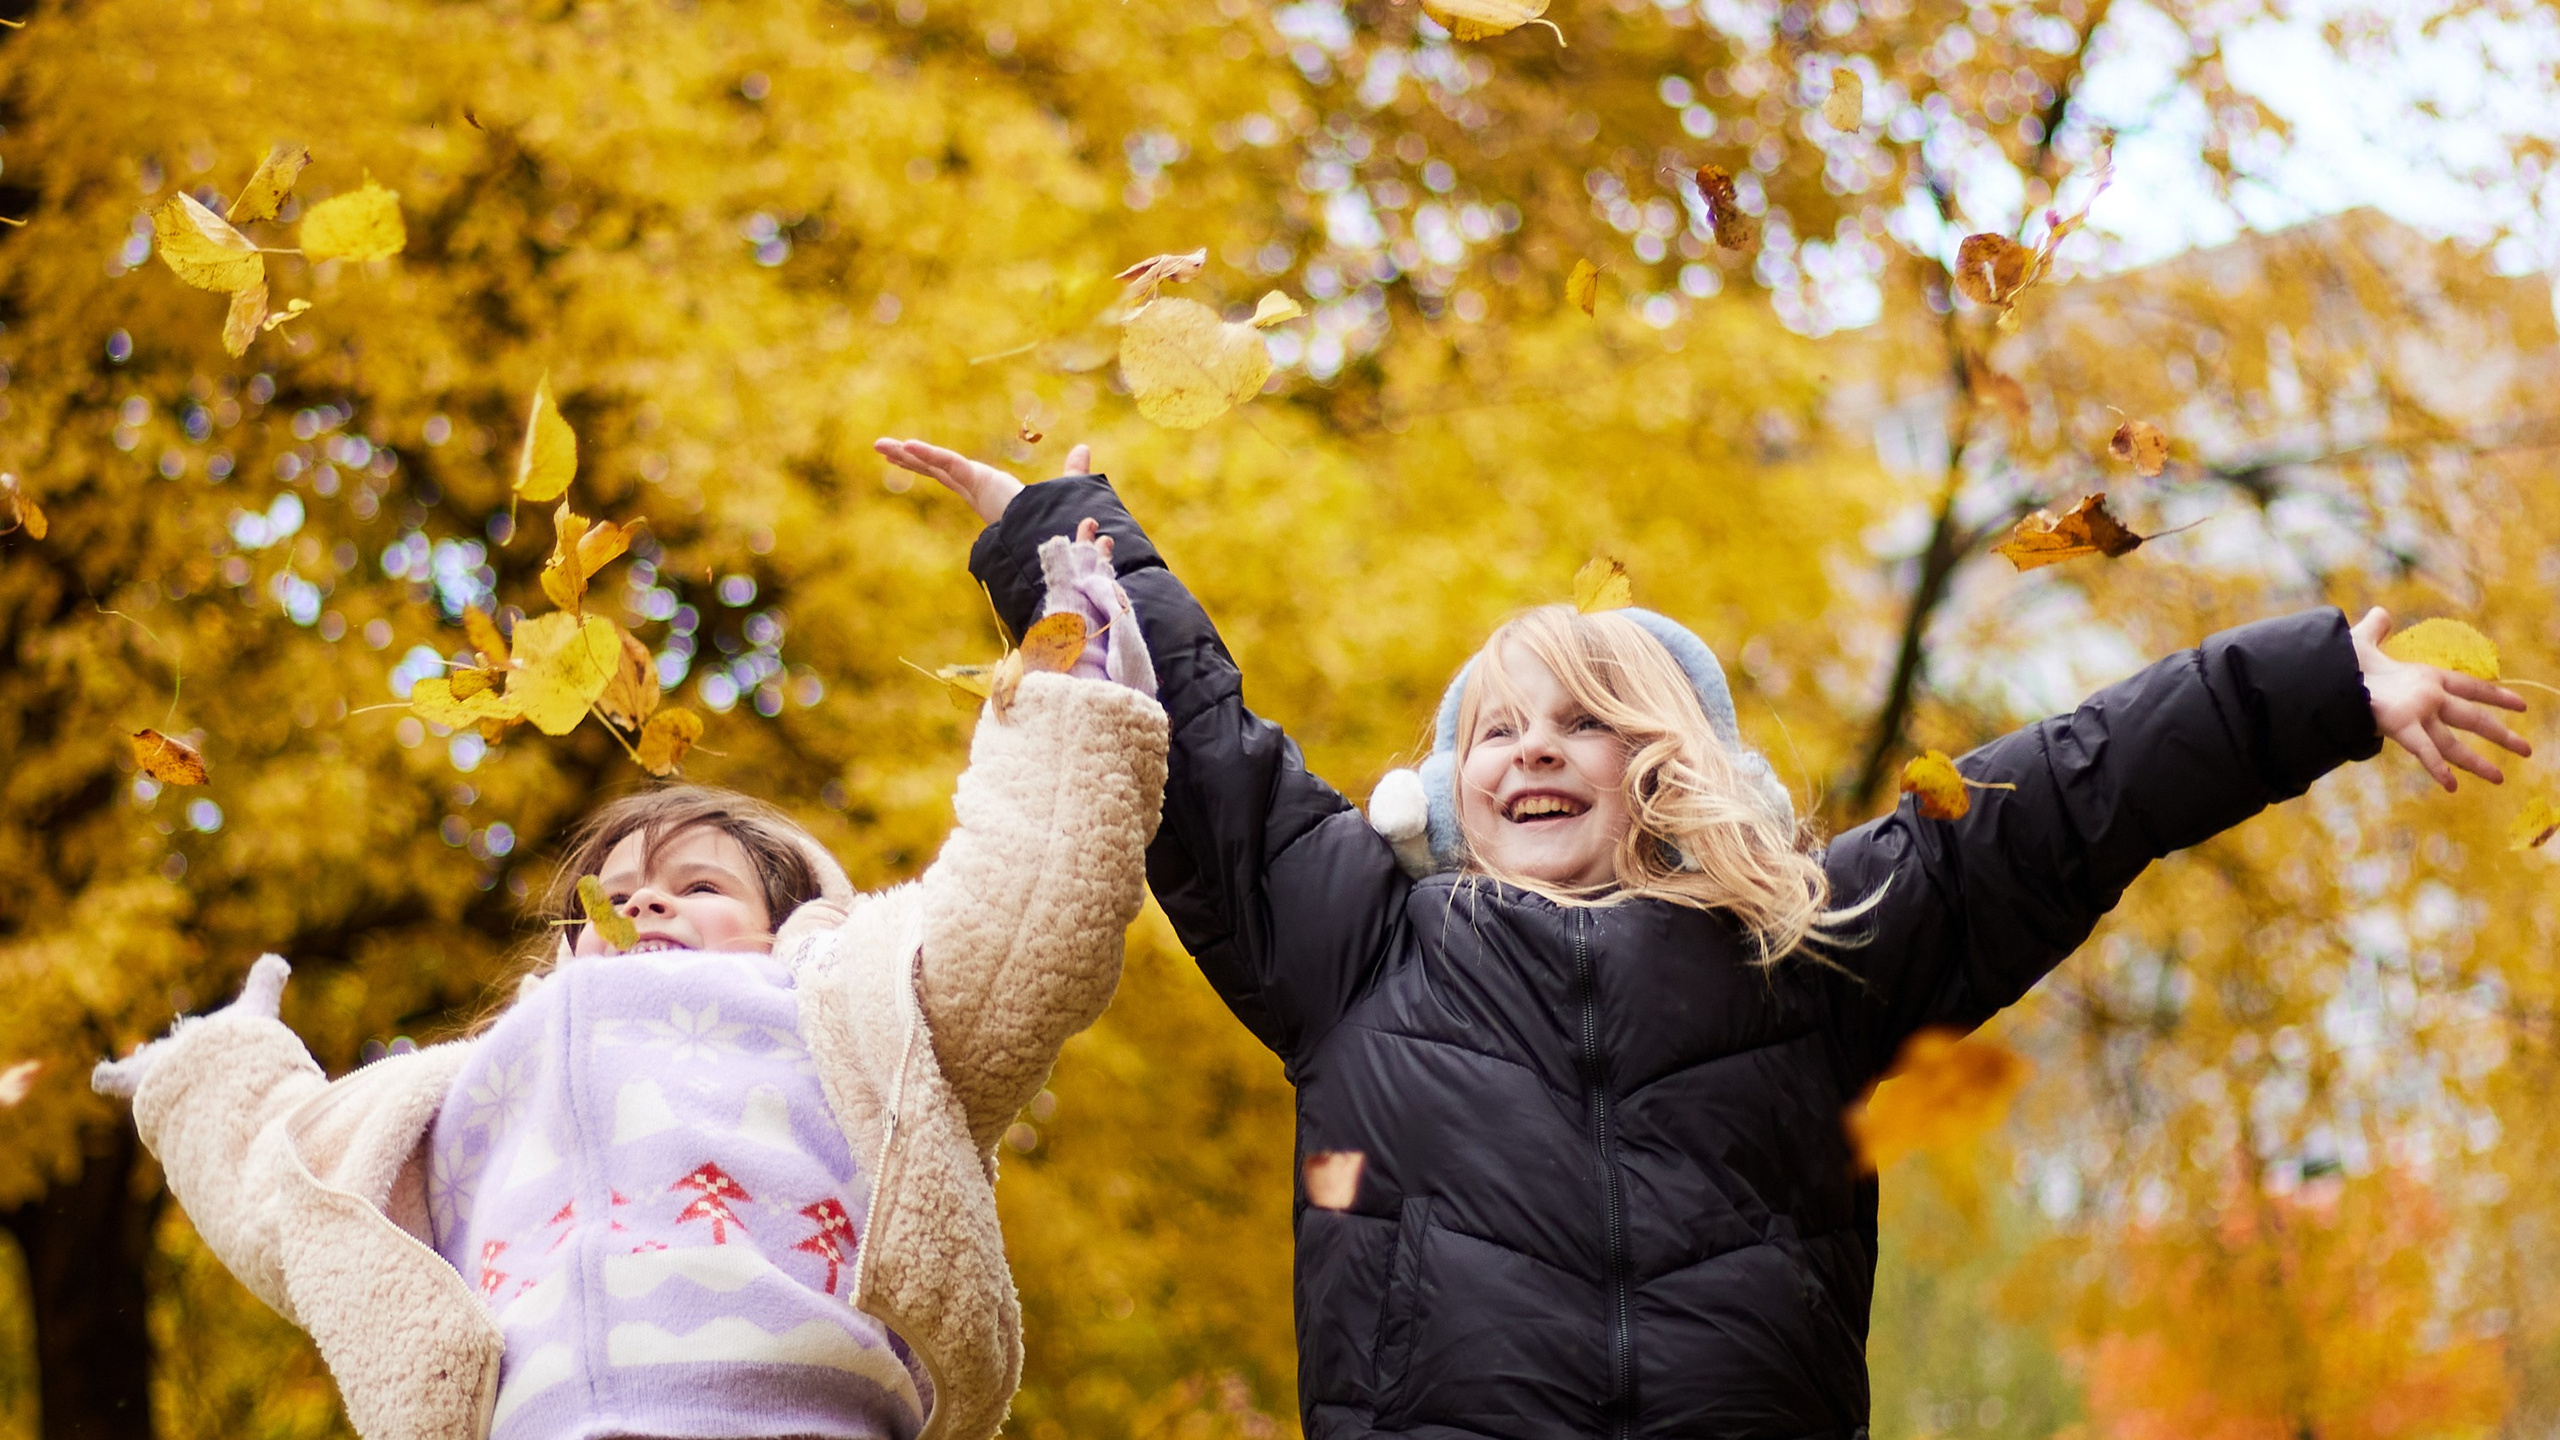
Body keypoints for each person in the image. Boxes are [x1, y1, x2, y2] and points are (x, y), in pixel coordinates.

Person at [879, 436, 2532, 1440]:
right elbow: (1213, 763)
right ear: (1448, 791)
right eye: (1496, 732)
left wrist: (2324, 686)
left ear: (1661, 765)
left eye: (1578, 724)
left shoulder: (1819, 950)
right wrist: (1053, 531)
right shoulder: (1360, 944)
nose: (1530, 752)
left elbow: (2072, 793)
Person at [90, 530, 1168, 1440]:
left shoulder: (850, 1016)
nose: (643, 907)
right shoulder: (465, 1088)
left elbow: (1020, 910)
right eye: (608, 902)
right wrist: (209, 1068)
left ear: (784, 927)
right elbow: (294, 1185)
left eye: (696, 884)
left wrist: (1067, 676)